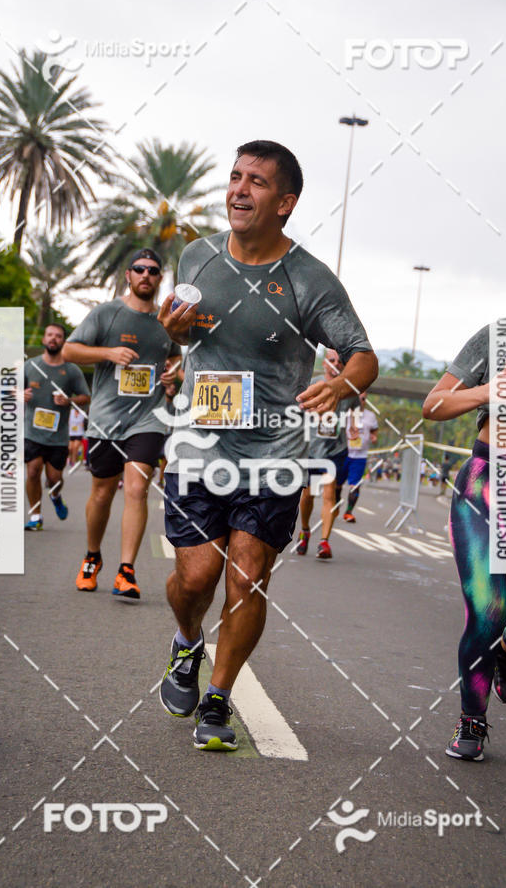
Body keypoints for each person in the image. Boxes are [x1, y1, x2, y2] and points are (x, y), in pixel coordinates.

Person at [157, 140, 377, 751]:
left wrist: (340, 384)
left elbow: (363, 356)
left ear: (285, 203)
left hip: (274, 453)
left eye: (256, 181)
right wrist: (171, 333)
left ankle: (218, 696)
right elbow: (181, 339)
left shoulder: (308, 278)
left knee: (248, 576)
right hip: (199, 446)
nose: (238, 188)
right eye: (235, 176)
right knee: (195, 578)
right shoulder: (197, 257)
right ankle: (186, 640)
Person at [423, 236, 506, 762]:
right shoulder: (497, 338)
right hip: (487, 483)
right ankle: (472, 721)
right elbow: (433, 405)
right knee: (487, 611)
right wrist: (484, 393)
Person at [63, 249, 182, 602]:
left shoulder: (165, 319)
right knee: (102, 492)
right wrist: (108, 353)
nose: (146, 275)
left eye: (153, 270)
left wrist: (172, 373)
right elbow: (70, 351)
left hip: (147, 418)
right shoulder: (106, 314)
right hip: (106, 419)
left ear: (160, 278)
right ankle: (92, 556)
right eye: (139, 269)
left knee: (137, 487)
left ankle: (126, 570)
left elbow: (175, 355)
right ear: (128, 275)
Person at [24, 324, 90, 531]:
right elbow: (10, 389)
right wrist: (19, 394)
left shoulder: (71, 370)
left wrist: (69, 400)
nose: (53, 338)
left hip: (58, 436)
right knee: (33, 471)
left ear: (63, 341)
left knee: (54, 478)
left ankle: (55, 495)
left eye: (58, 336)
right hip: (32, 432)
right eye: (50, 335)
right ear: (44, 339)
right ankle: (36, 516)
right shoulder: (30, 365)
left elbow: (86, 397)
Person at [296, 348, 358, 559]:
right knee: (308, 495)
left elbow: (355, 410)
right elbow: (298, 410)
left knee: (329, 494)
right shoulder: (313, 384)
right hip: (312, 449)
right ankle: (305, 530)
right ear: (324, 363)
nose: (336, 364)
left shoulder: (349, 389)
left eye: (340, 361)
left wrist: (353, 426)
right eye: (332, 360)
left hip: (334, 449)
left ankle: (324, 542)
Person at [342, 389, 378, 523]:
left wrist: (374, 437)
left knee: (355, 485)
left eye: (363, 399)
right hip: (344, 453)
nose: (360, 401)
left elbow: (374, 431)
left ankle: (349, 512)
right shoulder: (345, 413)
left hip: (360, 456)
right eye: (358, 398)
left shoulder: (370, 416)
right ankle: (333, 506)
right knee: (336, 485)